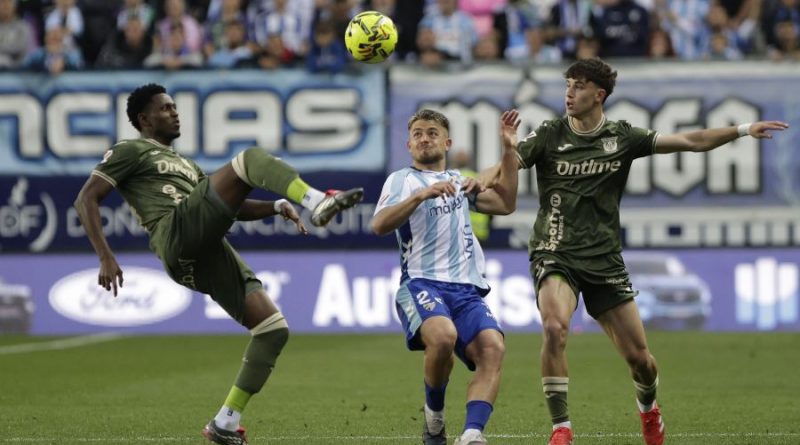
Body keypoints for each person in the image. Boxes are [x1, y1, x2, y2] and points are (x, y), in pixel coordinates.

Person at [483, 58, 788, 445]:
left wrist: (743, 129)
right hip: (554, 251)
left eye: (578, 86)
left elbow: (691, 141)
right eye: (568, 85)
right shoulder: (549, 133)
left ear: (599, 94)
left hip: (604, 259)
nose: (569, 93)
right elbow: (500, 169)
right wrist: (466, 183)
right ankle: (561, 428)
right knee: (554, 327)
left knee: (641, 361)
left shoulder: (622, 137)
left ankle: (649, 408)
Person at [74, 83, 364, 445]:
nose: (174, 113)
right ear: (144, 119)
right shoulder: (129, 150)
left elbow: (232, 207)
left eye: (174, 106)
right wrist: (105, 255)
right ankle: (318, 200)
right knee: (250, 159)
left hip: (201, 250)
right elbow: (85, 198)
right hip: (174, 232)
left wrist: (275, 206)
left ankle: (225, 422)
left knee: (272, 329)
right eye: (165, 108)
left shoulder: (187, 165)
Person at [371, 108, 521, 445]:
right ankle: (434, 418)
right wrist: (420, 195)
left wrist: (509, 151)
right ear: (409, 145)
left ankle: (472, 434)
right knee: (442, 336)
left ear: (447, 142)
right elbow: (379, 225)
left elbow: (505, 204)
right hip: (420, 283)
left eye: (432, 133)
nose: (424, 139)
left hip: (466, 290)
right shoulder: (401, 180)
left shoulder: (459, 182)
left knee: (493, 348)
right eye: (418, 134)